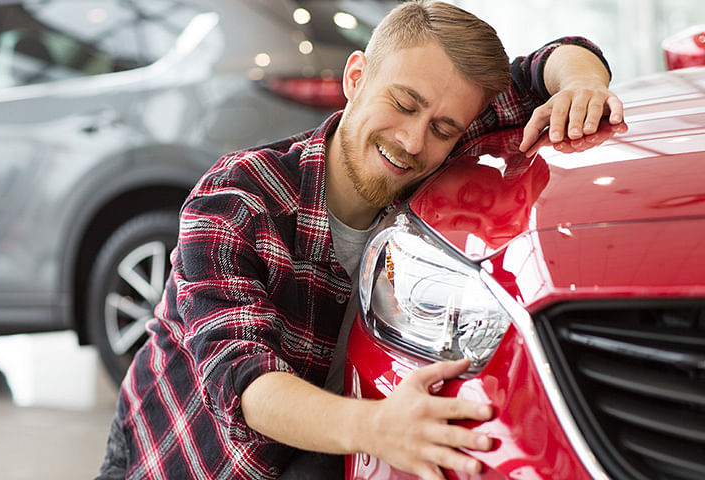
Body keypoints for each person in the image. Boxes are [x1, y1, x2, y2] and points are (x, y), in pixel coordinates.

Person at [96, 2, 624, 480]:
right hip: (179, 456)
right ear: (356, 77)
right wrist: (381, 427)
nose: (413, 141)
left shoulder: (440, 135)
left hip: (321, 455)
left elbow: (549, 63)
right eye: (402, 103)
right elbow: (246, 386)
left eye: (443, 129)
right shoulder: (236, 198)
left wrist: (583, 84)